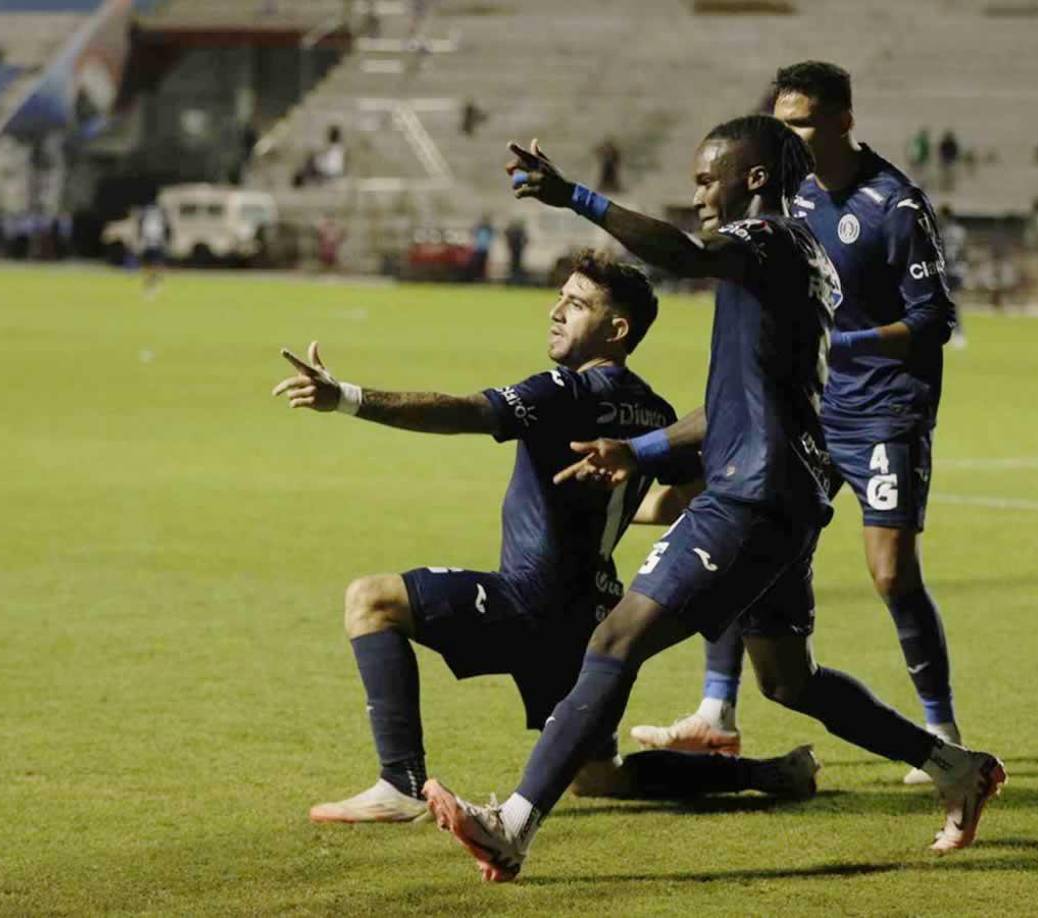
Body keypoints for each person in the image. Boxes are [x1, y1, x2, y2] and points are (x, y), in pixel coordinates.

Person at [423, 116, 1006, 881]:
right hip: (783, 494)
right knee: (788, 680)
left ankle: (513, 825)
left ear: (753, 180)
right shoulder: (793, 264)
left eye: (707, 179)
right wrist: (640, 450)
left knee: (614, 642)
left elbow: (682, 254)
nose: (698, 193)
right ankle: (956, 767)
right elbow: (733, 408)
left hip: (749, 499)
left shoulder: (765, 244)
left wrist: (575, 197)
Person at [272, 252, 816, 825]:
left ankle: (400, 782)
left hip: (531, 600)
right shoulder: (655, 412)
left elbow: (465, 412)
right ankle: (766, 774)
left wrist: (348, 398)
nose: (555, 312)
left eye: (576, 304)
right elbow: (680, 497)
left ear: (617, 328)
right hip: (596, 622)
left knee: (371, 600)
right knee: (599, 778)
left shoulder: (565, 391)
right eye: (560, 298)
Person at [634, 61, 970, 784]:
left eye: (805, 121)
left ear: (845, 121)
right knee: (744, 539)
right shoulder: (788, 202)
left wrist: (845, 341)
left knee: (890, 572)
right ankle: (716, 711)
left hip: (883, 410)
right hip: (809, 412)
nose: (791, 134)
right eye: (782, 121)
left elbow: (935, 318)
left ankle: (941, 725)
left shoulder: (894, 205)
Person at [138, 200, 169, 297]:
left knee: (156, 263)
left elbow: (166, 228)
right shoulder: (147, 215)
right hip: (149, 243)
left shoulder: (159, 215)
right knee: (149, 264)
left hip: (155, 243)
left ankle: (155, 281)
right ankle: (151, 282)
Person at [504, 218, 529, 284]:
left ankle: (515, 278)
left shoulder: (515, 231)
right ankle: (515, 278)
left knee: (515, 265)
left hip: (516, 250)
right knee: (515, 265)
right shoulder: (518, 232)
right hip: (516, 250)